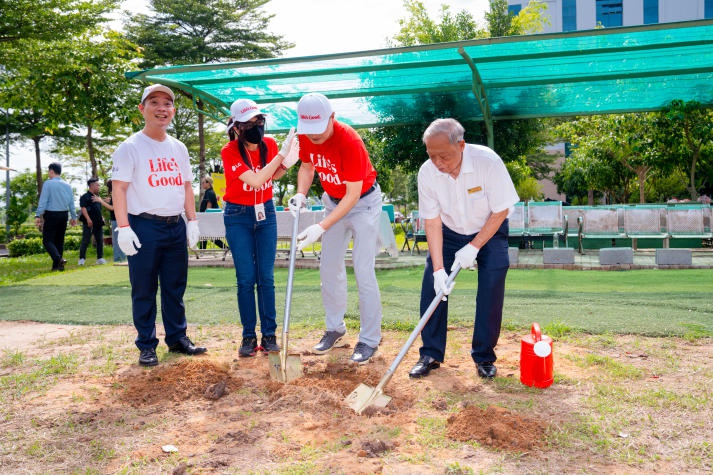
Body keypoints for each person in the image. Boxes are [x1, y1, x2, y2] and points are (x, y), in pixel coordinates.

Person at [408, 118, 519, 380]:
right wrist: (437, 270)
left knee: (492, 285)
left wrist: (474, 246)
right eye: (431, 155)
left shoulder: (487, 162)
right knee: (432, 289)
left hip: (489, 230)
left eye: (443, 155)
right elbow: (432, 222)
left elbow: (501, 209)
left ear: (461, 145)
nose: (438, 163)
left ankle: (484, 356)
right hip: (448, 232)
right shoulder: (427, 172)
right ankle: (430, 354)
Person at [111, 84, 207, 367]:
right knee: (143, 288)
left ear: (173, 111)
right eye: (154, 102)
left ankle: (178, 338)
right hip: (144, 225)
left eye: (167, 103)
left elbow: (187, 186)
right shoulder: (130, 147)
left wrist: (192, 221)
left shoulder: (178, 147)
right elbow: (119, 189)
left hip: (174, 225)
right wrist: (124, 226)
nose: (161, 108)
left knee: (175, 287)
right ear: (142, 109)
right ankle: (146, 344)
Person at [288, 92, 383, 365]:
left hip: (364, 203)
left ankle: (369, 339)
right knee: (328, 267)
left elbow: (353, 195)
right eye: (310, 131)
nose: (314, 137)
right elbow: (306, 167)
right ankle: (335, 328)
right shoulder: (306, 135)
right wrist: (301, 194)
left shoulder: (350, 141)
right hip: (333, 202)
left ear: (332, 117)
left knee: (363, 270)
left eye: (319, 130)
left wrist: (321, 226)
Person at [221, 98, 298, 357]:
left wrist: (288, 163)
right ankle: (247, 336)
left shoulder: (270, 145)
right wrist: (280, 157)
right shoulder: (229, 151)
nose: (257, 126)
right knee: (246, 278)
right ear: (237, 127)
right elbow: (255, 180)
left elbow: (271, 175)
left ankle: (269, 334)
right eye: (250, 122)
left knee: (266, 277)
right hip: (238, 215)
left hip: (266, 213)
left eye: (259, 120)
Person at [34, 162, 77, 271]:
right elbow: (71, 203)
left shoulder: (48, 184)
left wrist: (38, 214)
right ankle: (57, 267)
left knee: (47, 240)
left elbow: (43, 201)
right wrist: (74, 217)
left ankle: (59, 259)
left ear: (52, 171)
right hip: (64, 215)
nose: (48, 173)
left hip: (52, 214)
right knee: (59, 241)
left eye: (49, 171)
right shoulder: (67, 185)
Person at [94, 180, 126, 262]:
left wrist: (101, 201)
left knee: (116, 241)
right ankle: (121, 258)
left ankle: (118, 258)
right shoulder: (118, 193)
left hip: (116, 219)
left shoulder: (115, 193)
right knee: (120, 240)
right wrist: (109, 200)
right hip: (121, 219)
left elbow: (113, 208)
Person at [78, 177, 106, 265]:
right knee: (86, 240)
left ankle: (100, 258)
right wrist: (88, 219)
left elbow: (98, 209)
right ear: (92, 185)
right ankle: (82, 259)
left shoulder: (97, 197)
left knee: (100, 240)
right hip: (88, 223)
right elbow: (83, 208)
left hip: (98, 223)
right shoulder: (84, 197)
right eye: (98, 185)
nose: (99, 187)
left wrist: (102, 217)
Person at [197, 175, 225, 250]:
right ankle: (202, 250)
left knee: (208, 235)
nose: (202, 184)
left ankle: (202, 250)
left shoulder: (209, 193)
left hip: (208, 219)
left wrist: (204, 218)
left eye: (203, 183)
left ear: (208, 183)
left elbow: (208, 208)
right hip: (208, 219)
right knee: (207, 235)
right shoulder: (209, 192)